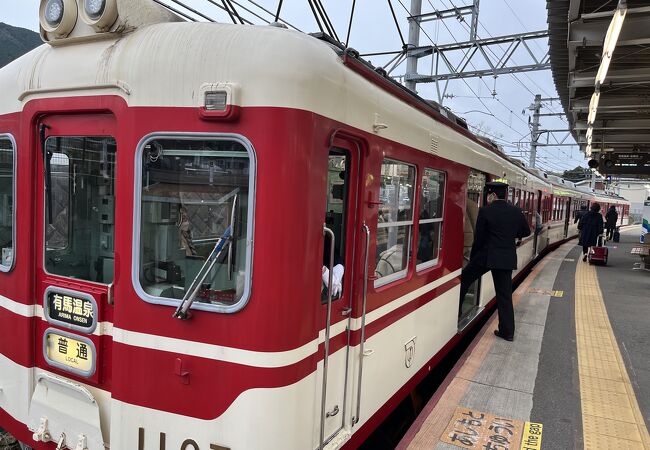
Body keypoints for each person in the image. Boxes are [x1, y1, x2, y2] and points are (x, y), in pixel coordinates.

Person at [459, 182, 531, 341]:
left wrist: (473, 258)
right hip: (506, 259)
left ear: (492, 195)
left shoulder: (486, 211)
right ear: (505, 195)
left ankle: (457, 313)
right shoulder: (516, 211)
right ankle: (507, 332)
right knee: (504, 296)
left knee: (465, 278)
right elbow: (526, 231)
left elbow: (479, 237)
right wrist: (512, 234)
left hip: (486, 257)